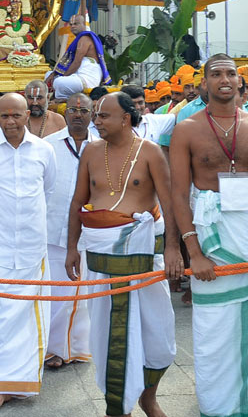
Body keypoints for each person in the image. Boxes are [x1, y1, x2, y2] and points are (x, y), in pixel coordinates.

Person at [169, 54, 248, 417]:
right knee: (214, 333)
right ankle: (217, 408)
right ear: (203, 83)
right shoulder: (186, 128)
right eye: (215, 74)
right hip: (210, 239)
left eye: (230, 74)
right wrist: (193, 252)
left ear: (240, 82)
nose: (224, 79)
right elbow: (177, 193)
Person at [67, 91, 179, 417]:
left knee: (158, 336)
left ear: (125, 119)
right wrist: (73, 248)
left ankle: (148, 397)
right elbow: (77, 202)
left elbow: (170, 205)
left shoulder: (151, 153)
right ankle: (117, 407)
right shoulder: (90, 151)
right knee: (106, 338)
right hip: (100, 257)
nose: (95, 121)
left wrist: (174, 248)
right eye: (96, 115)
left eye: (103, 116)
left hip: (143, 257)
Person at [0, 93, 56, 410]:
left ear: (26, 115)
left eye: (16, 116)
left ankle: (21, 384)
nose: (10, 122)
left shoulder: (44, 151)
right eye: (4, 116)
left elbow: (47, 190)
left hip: (33, 244)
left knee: (29, 313)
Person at [42, 92, 94, 368]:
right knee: (56, 293)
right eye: (72, 109)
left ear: (92, 114)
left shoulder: (102, 145)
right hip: (53, 228)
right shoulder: (48, 145)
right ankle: (52, 349)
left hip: (91, 230)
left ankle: (77, 348)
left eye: (83, 110)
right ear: (65, 112)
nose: (77, 114)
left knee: (84, 295)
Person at [46, 13, 109, 103]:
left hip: (87, 78)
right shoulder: (79, 39)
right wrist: (54, 74)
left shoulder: (85, 38)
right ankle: (63, 95)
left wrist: (62, 76)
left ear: (84, 25)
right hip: (78, 76)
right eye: (71, 24)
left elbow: (76, 63)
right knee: (49, 74)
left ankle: (63, 98)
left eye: (76, 24)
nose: (73, 26)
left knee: (59, 82)